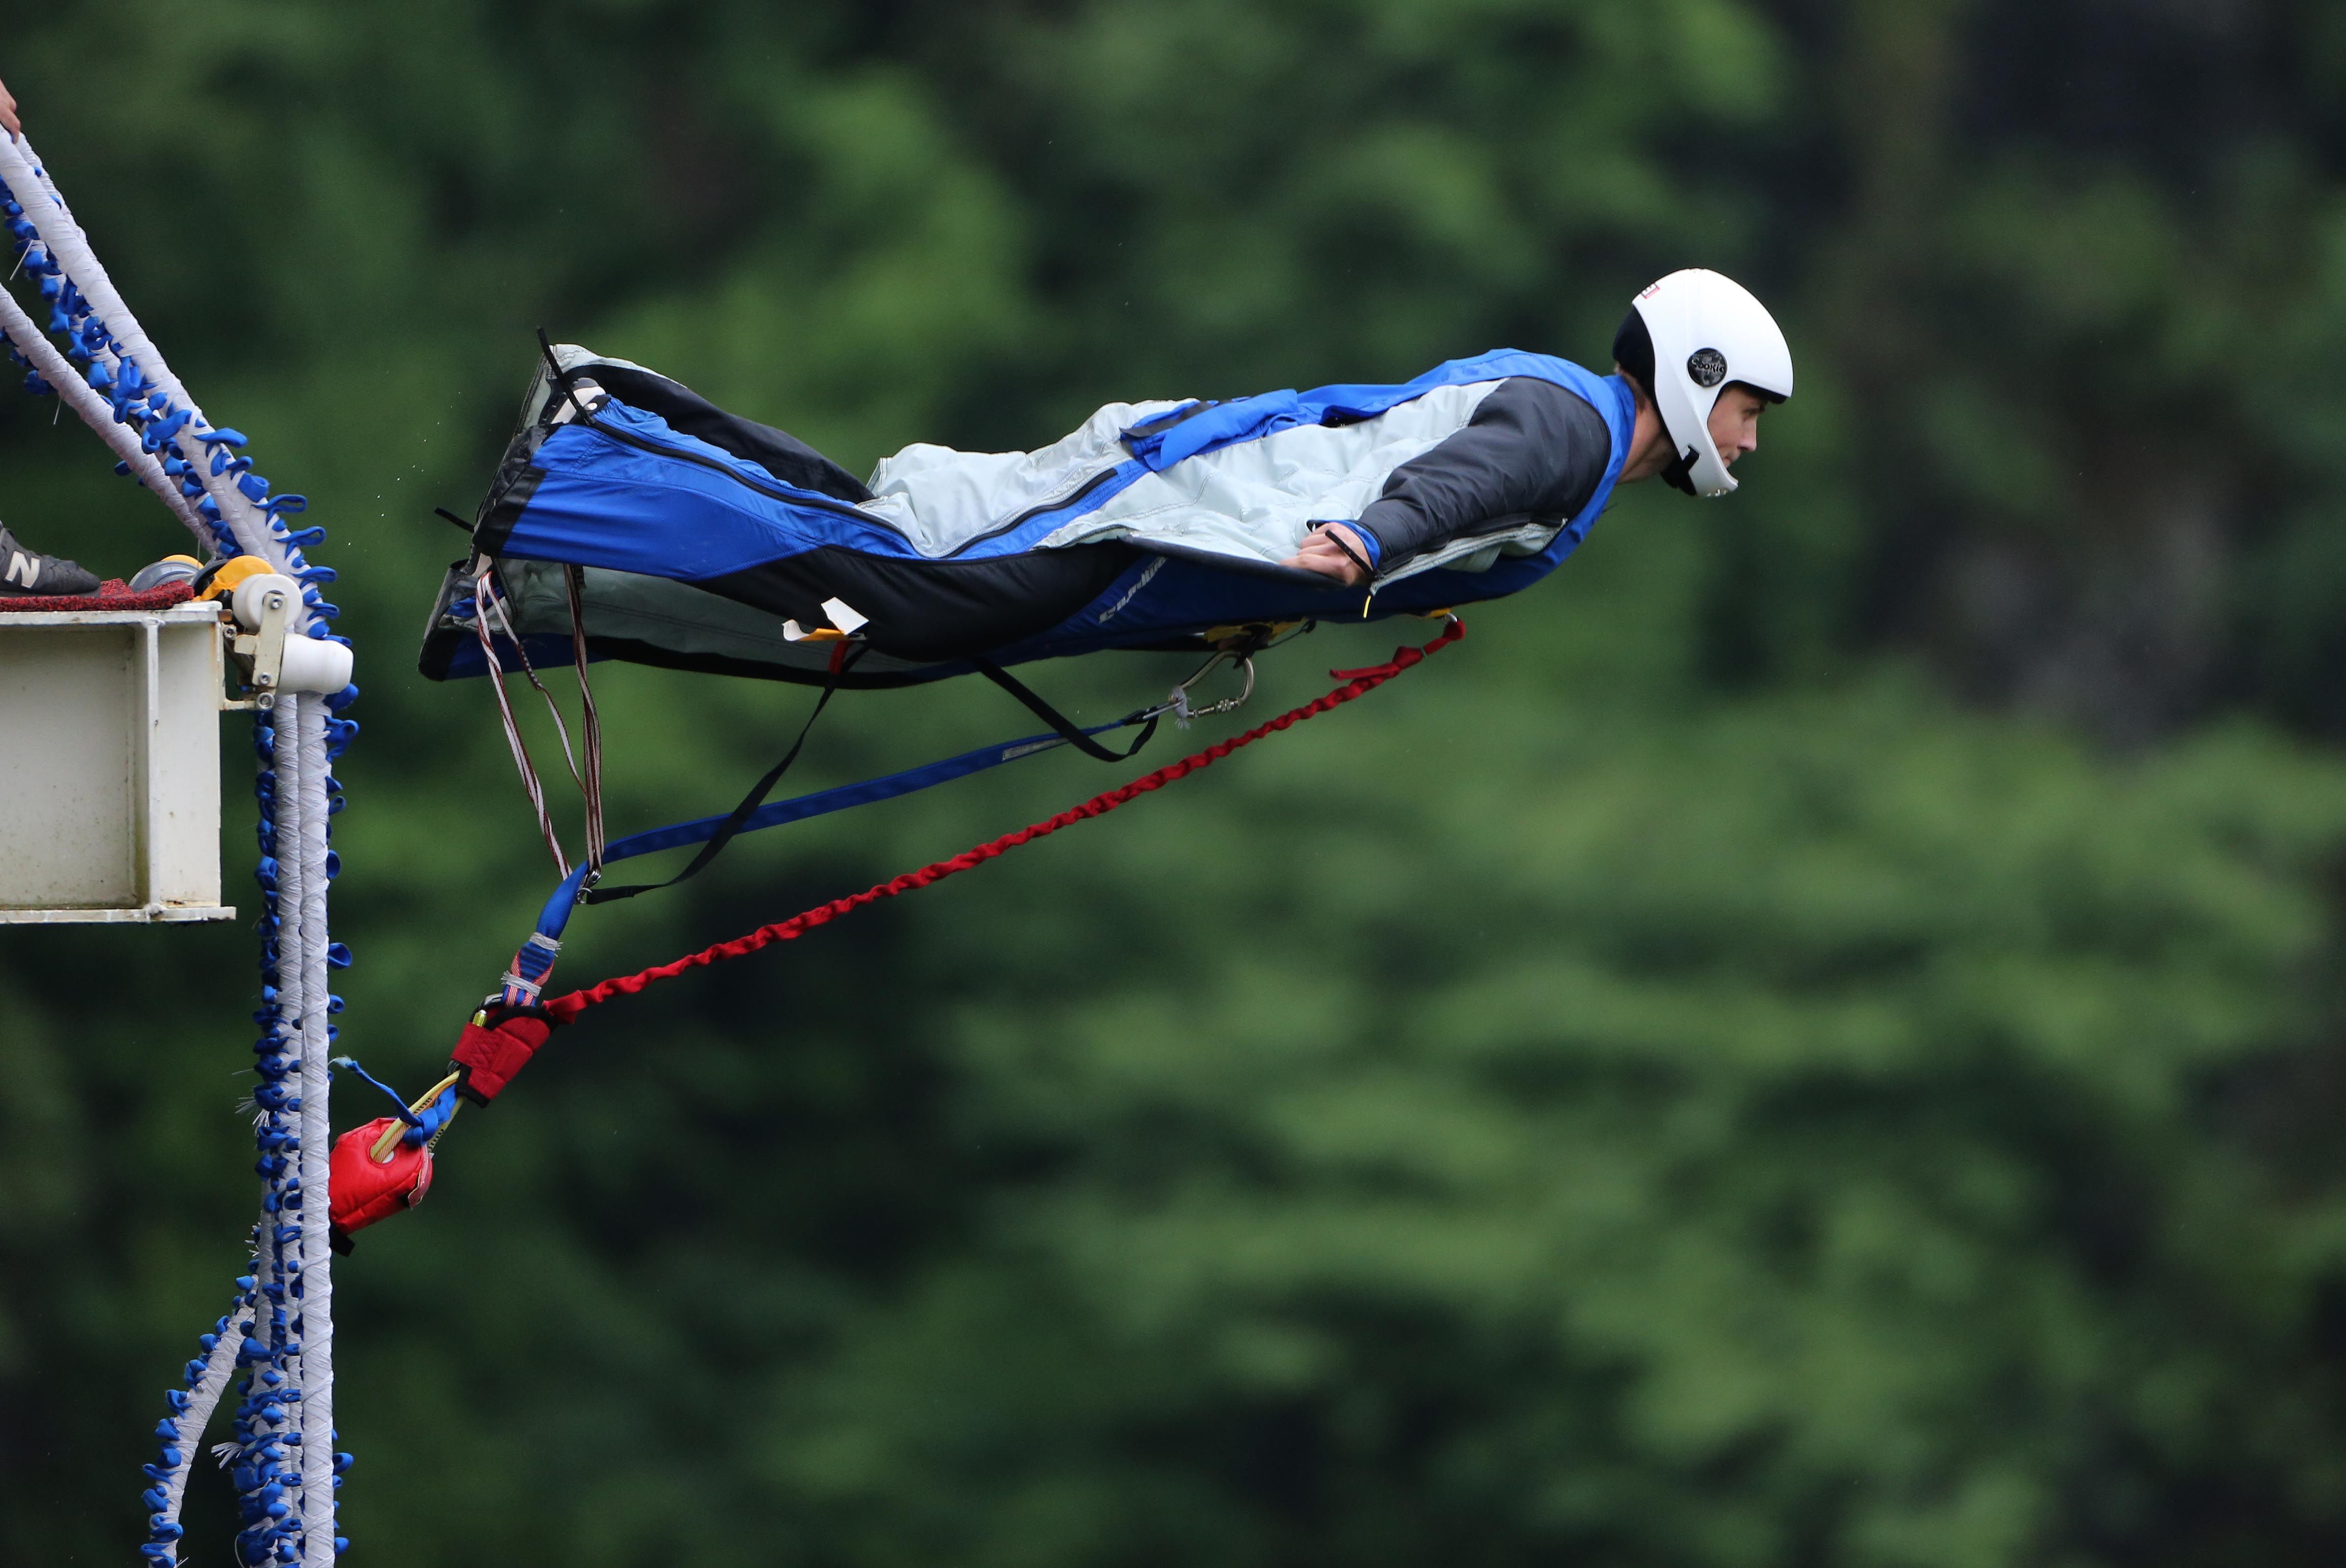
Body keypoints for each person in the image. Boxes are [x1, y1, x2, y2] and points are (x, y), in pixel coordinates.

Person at [441, 278, 1791, 682]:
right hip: (1182, 500)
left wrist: (1273, 602)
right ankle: (589, 461)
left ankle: (560, 551)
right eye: (1746, 408)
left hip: (1193, 531)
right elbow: (1457, 482)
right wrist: (1366, 545)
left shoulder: (1578, 450)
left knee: (879, 609)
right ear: (1698, 368)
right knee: (903, 601)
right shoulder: (1567, 429)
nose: (1745, 440)